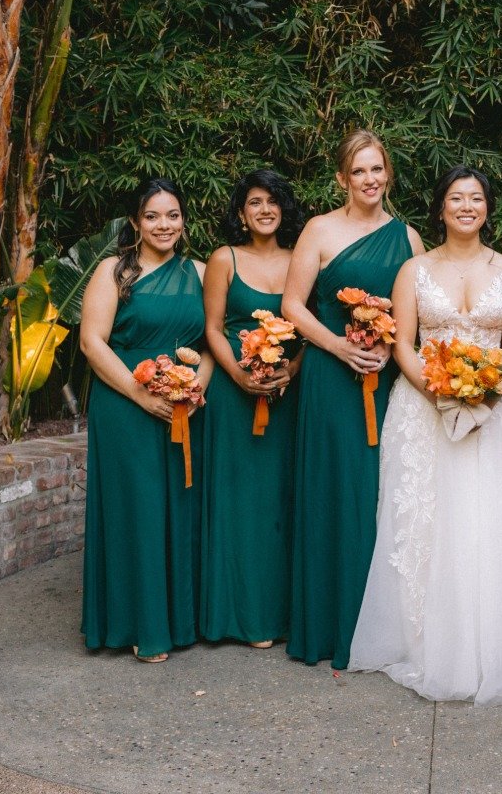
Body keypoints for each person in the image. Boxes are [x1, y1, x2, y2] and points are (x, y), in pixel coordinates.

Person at [349, 166, 502, 705]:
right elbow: (403, 343)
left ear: (488, 208)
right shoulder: (414, 269)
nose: (466, 207)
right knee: (429, 520)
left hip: (494, 410)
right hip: (425, 407)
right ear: (441, 208)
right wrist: (439, 392)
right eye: (456, 198)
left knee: (492, 520)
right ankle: (429, 642)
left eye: (476, 198)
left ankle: (496, 642)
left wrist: (488, 390)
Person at [282, 129, 423, 670]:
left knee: (380, 491)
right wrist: (341, 346)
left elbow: (418, 312)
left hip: (386, 378)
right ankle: (326, 626)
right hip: (329, 375)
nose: (370, 179)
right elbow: (294, 305)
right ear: (342, 178)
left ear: (388, 175)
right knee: (332, 488)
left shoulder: (408, 239)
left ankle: (379, 630)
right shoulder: (319, 230)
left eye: (377, 169)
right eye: (359, 171)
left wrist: (392, 347)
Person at [80, 178, 212, 663]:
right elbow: (93, 342)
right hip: (124, 403)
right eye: (153, 216)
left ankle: (178, 620)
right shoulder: (113, 272)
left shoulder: (200, 271)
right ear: (136, 222)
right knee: (136, 510)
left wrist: (197, 391)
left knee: (179, 508)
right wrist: (140, 394)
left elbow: (212, 340)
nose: (164, 225)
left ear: (183, 220)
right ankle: (139, 626)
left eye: (172, 215)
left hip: (184, 405)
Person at [200, 170, 305, 648]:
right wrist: (240, 377)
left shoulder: (300, 259)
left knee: (279, 503)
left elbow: (310, 325)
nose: (265, 210)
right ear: (241, 213)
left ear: (284, 209)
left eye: (273, 202)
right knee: (237, 502)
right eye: (254, 202)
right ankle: (235, 615)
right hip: (233, 396)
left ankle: (278, 615)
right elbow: (214, 328)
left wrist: (293, 370)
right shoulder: (225, 259)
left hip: (286, 397)